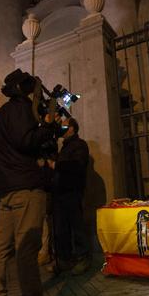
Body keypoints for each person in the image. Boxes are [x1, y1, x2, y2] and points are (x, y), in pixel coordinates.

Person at [0, 69, 64, 296]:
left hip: (6, 190)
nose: (35, 94)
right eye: (32, 89)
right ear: (23, 90)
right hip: (26, 188)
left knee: (0, 249)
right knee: (27, 250)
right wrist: (49, 127)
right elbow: (26, 140)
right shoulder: (19, 109)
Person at [48, 118, 90, 275]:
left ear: (72, 128)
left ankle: (83, 258)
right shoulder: (64, 148)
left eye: (64, 125)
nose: (61, 127)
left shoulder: (79, 145)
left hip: (72, 192)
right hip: (60, 192)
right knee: (61, 229)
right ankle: (64, 260)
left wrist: (56, 165)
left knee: (77, 226)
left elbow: (77, 166)